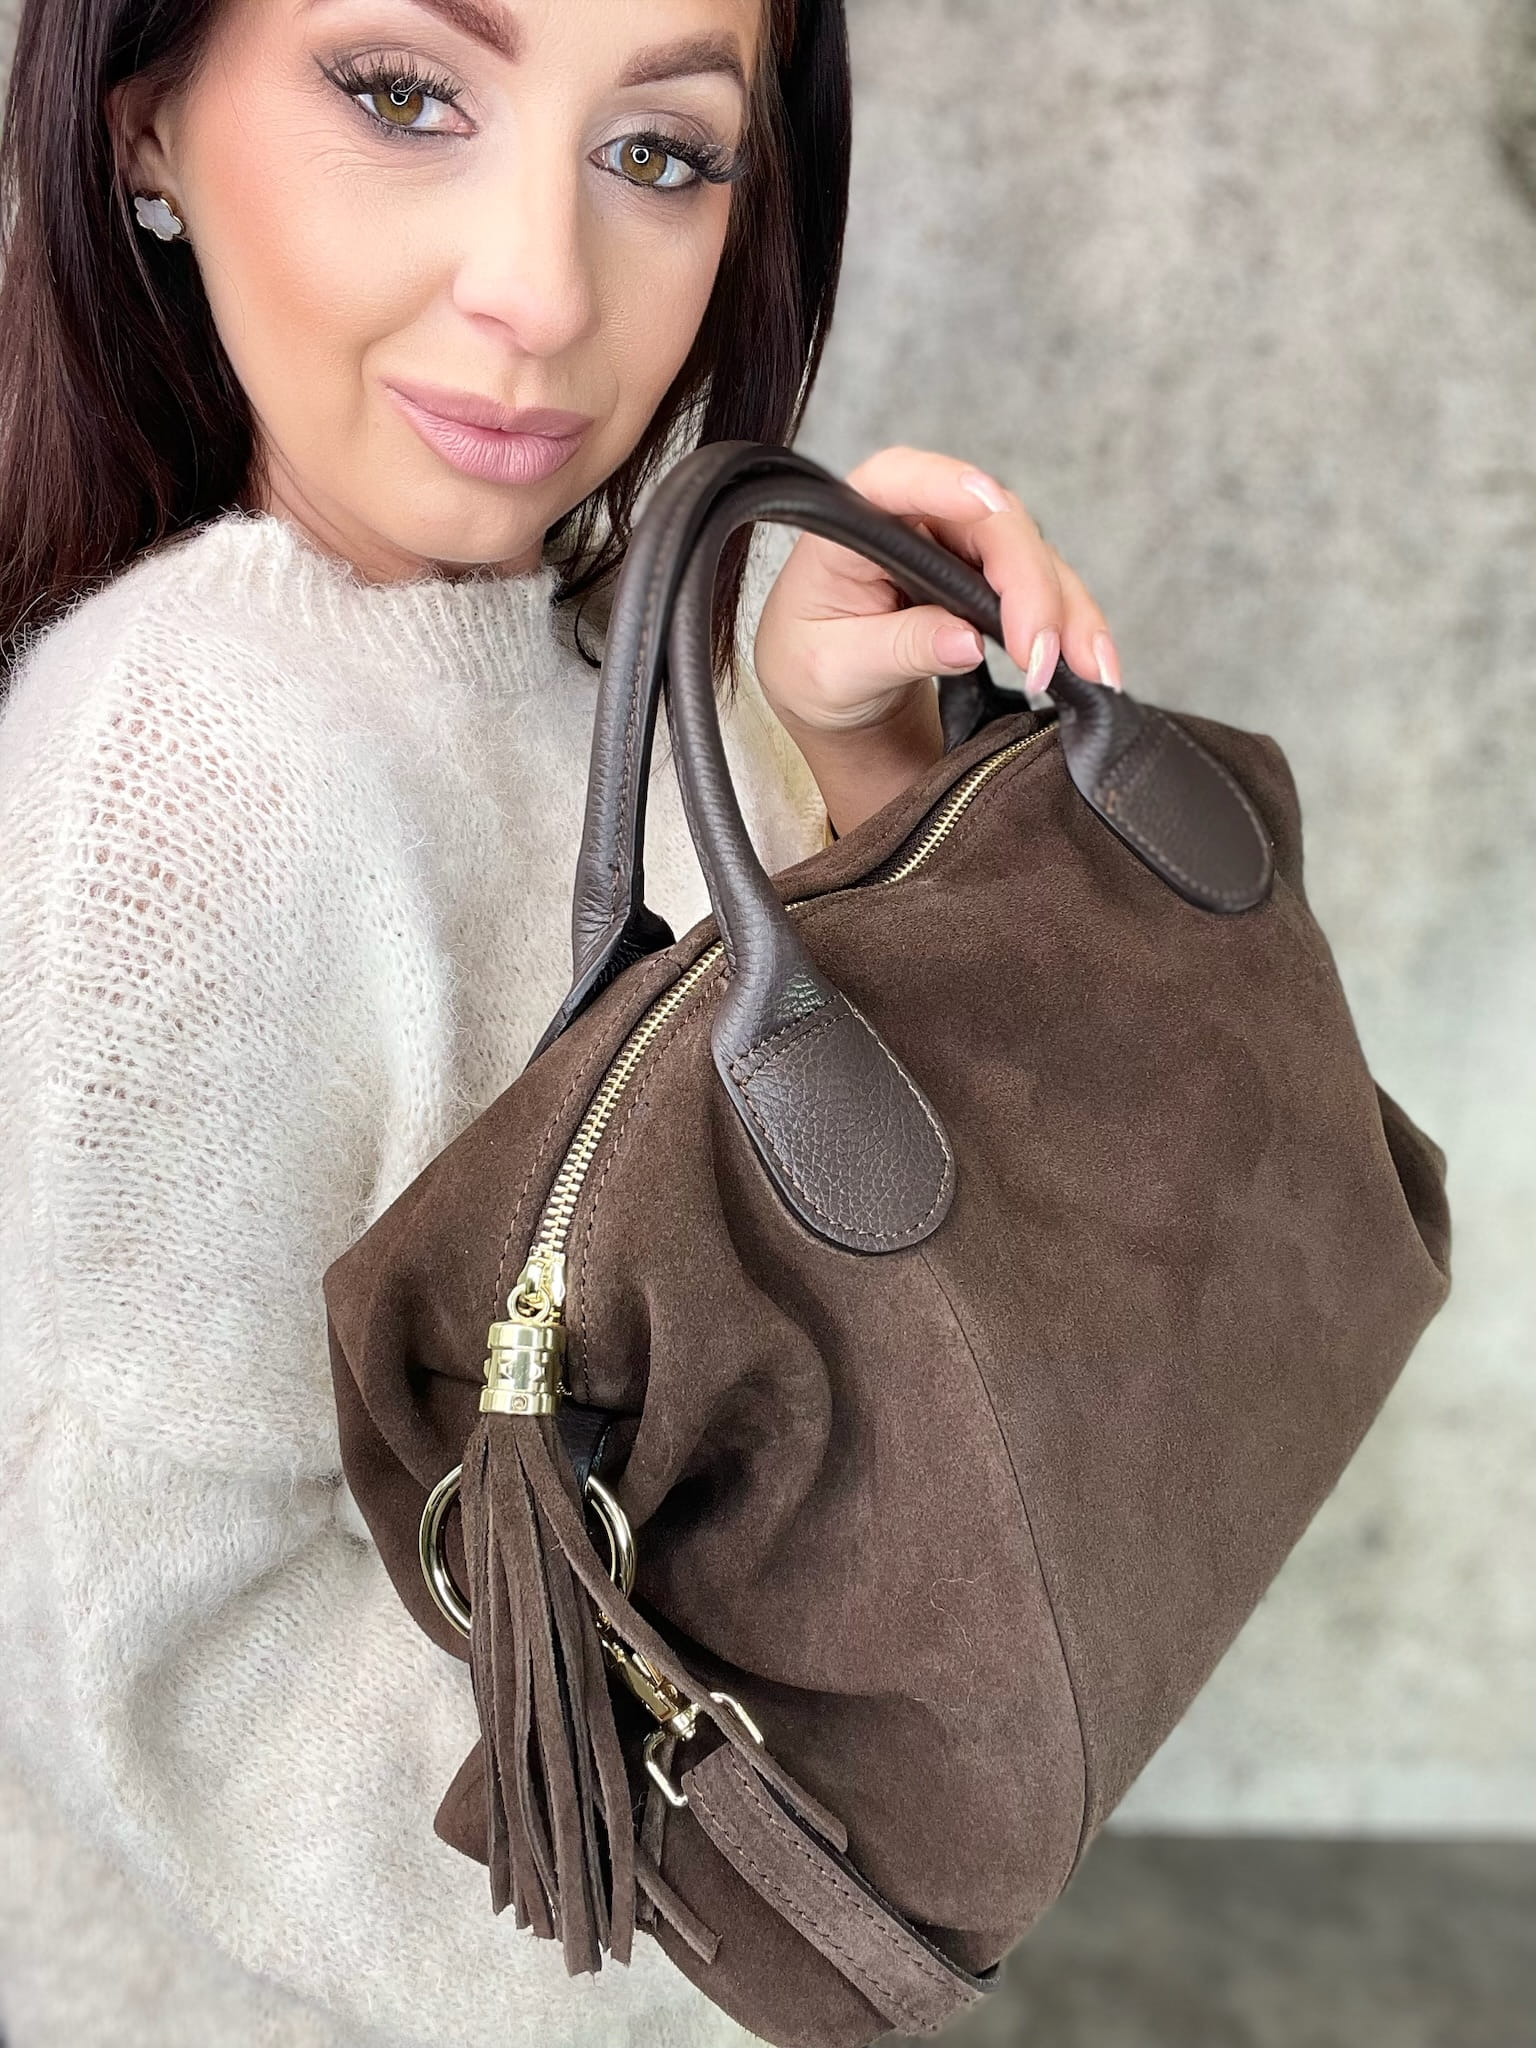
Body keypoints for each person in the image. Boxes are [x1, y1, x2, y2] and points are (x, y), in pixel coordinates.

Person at [0, 0, 1122, 2042]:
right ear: (146, 130)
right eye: (403, 94)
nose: (542, 293)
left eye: (659, 154)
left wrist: (857, 782)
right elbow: (171, 1670)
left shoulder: (600, 687)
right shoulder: (184, 765)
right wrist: (791, 1928)